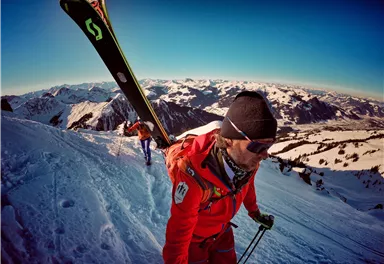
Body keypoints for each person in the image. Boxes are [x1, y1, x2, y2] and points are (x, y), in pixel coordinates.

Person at [163, 91, 277, 264]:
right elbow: (177, 237)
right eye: (258, 146)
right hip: (195, 242)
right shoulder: (193, 180)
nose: (265, 154)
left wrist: (254, 212)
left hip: (222, 232)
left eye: (269, 145)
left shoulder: (248, 163)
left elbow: (248, 185)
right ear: (230, 140)